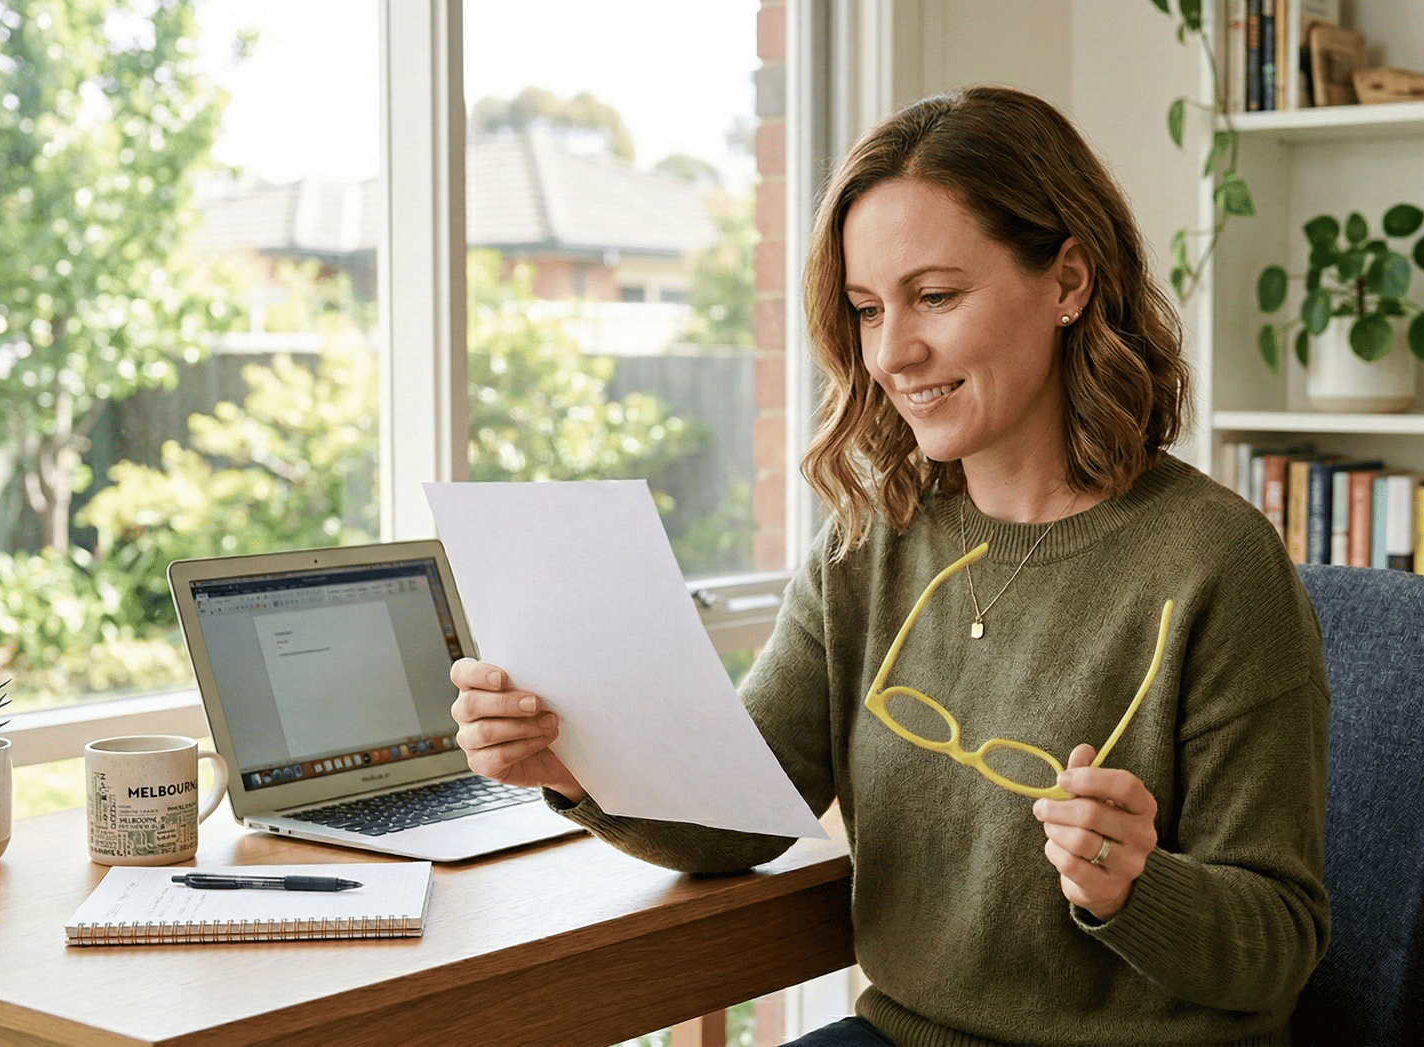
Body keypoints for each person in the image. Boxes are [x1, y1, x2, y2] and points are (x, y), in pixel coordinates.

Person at [451, 85, 1329, 1046]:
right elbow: (741, 817)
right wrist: (575, 766)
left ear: (1069, 281)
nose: (894, 353)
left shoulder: (1218, 562)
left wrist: (1133, 886)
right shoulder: (867, 539)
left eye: (937, 296)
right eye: (868, 310)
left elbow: (1279, 942)